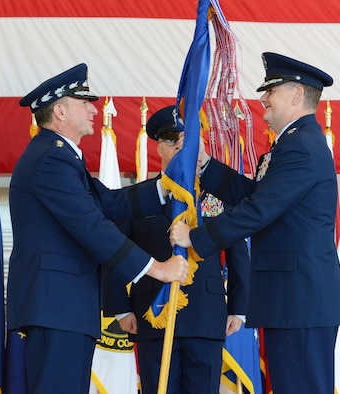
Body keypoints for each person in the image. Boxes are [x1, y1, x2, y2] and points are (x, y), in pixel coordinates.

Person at [170, 52, 340, 394]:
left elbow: (259, 209)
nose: (263, 97)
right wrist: (207, 167)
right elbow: (259, 196)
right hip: (292, 300)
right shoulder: (292, 145)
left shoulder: (301, 147)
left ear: (297, 95)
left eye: (272, 90)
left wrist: (197, 237)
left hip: (300, 302)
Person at [6, 64, 189, 394]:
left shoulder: (61, 157)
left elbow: (110, 203)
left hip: (65, 307)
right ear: (60, 111)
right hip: (56, 306)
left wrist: (168, 185)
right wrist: (157, 269)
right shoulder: (51, 159)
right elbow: (93, 227)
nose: (94, 109)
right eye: (84, 103)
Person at [102, 105, 250, 394]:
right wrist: (120, 308)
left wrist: (239, 307)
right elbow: (114, 253)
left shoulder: (219, 195)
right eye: (172, 140)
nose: (181, 147)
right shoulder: (134, 199)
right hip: (151, 315)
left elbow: (237, 254)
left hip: (207, 317)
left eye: (189, 139)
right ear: (158, 147)